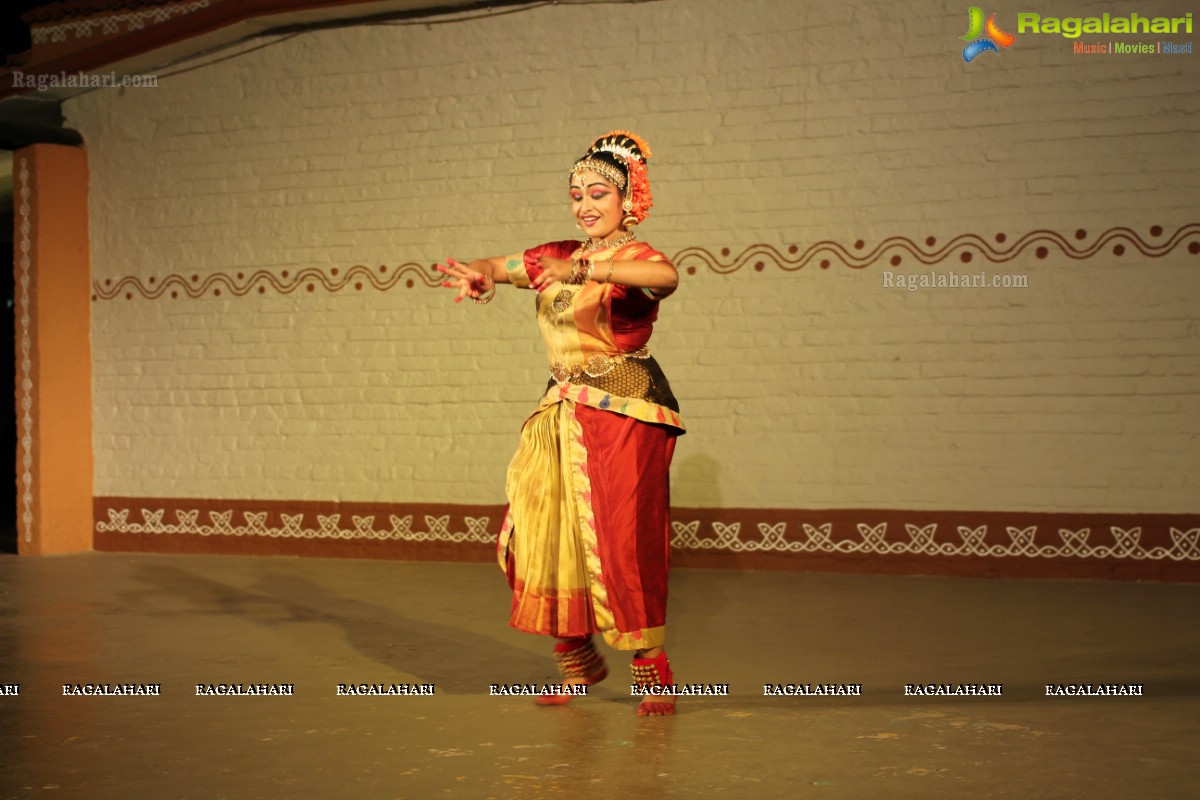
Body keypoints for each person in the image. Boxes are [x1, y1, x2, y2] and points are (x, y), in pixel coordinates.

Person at [436, 131, 685, 716]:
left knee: (623, 538)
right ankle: (578, 657)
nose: (584, 205)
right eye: (576, 195)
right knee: (539, 532)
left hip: (627, 413)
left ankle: (651, 670)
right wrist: (478, 274)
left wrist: (578, 267)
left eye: (598, 192)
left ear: (629, 201)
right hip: (561, 410)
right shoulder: (556, 251)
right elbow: (497, 264)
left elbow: (668, 278)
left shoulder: (635, 260)